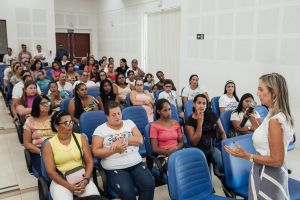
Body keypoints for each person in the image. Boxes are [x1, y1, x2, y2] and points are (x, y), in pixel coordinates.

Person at [224, 73, 294, 200]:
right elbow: (268, 137)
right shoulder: (276, 114)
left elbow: (277, 161)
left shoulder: (275, 120)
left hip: (267, 173)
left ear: (274, 92)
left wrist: (246, 156)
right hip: (265, 170)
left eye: (261, 89)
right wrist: (255, 123)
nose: (257, 93)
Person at [92, 101, 155, 200]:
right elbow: (95, 152)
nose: (117, 117)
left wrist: (120, 140)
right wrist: (115, 150)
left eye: (119, 113)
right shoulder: (100, 130)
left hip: (136, 163)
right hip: (115, 167)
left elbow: (139, 140)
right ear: (107, 116)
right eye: (113, 115)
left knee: (149, 185)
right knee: (127, 192)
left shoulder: (129, 123)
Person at [43, 110, 101, 199]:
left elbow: (89, 161)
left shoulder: (80, 138)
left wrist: (86, 180)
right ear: (56, 126)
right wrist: (69, 186)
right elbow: (51, 172)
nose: (70, 125)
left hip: (81, 179)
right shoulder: (49, 144)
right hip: (61, 181)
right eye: (66, 123)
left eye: (71, 121)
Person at [185, 94, 227, 174]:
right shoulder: (189, 121)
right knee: (217, 163)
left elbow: (222, 133)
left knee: (224, 163)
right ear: (194, 104)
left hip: (215, 145)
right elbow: (194, 142)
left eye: (204, 103)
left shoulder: (212, 115)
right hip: (201, 147)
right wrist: (199, 123)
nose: (202, 106)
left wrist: (224, 147)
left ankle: (223, 180)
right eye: (199, 103)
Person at [23, 95, 55, 175]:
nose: (47, 105)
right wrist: (41, 152)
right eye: (43, 103)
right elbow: (27, 143)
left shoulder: (56, 116)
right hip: (40, 150)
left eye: (48, 102)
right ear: (36, 105)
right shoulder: (30, 120)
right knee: (47, 171)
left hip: (57, 146)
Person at [150, 99, 184, 172]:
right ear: (159, 111)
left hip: (176, 151)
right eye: (165, 110)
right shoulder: (154, 126)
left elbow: (181, 142)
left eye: (169, 109)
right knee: (177, 169)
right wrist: (169, 152)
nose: (168, 113)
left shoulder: (175, 123)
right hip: (164, 155)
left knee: (190, 165)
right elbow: (154, 148)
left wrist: (175, 148)